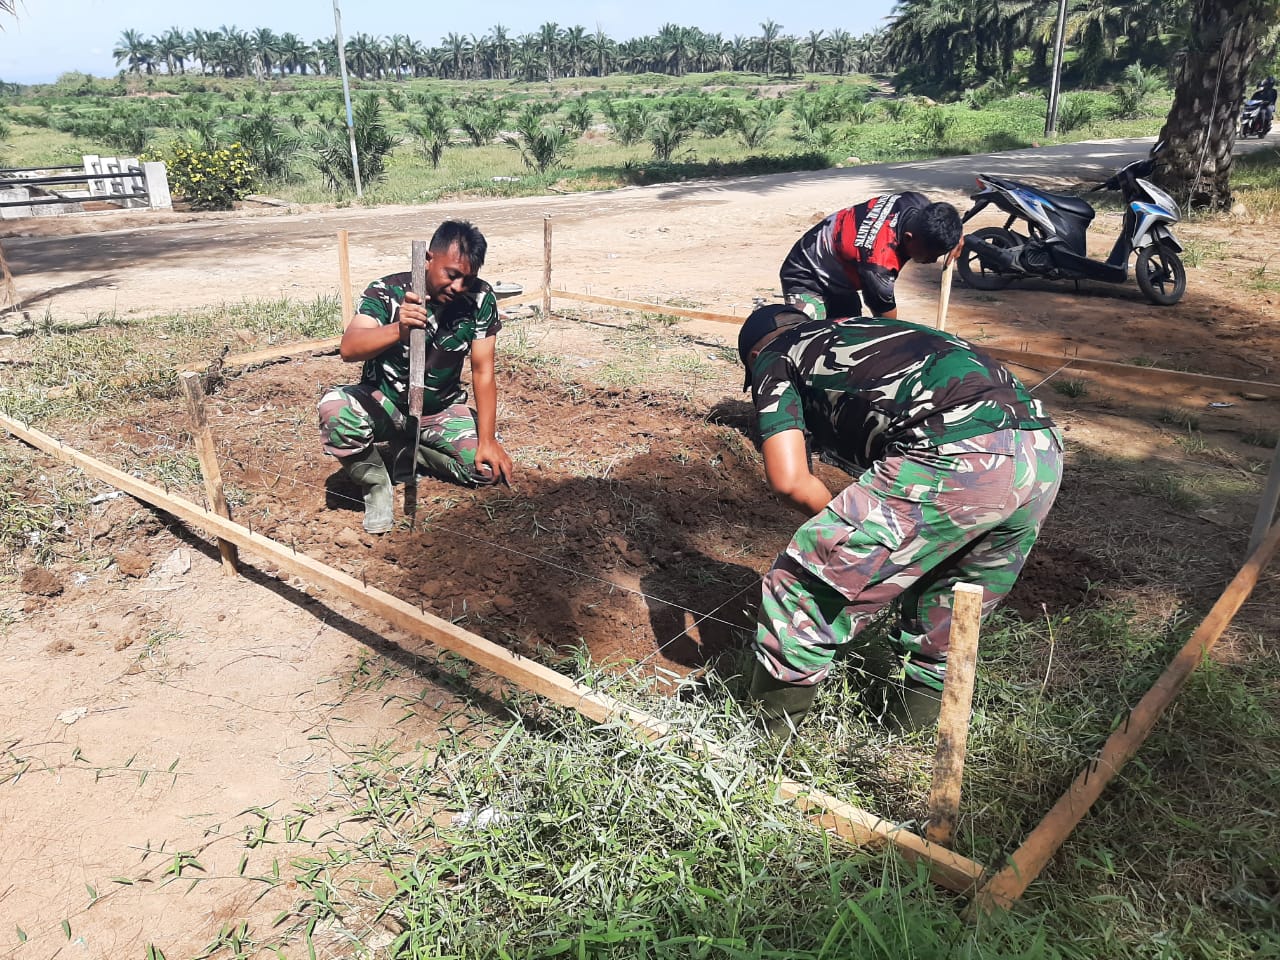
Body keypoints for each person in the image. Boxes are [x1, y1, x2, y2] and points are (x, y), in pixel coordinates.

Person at [738, 304, 1062, 735]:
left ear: (752, 352)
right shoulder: (862, 330)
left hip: (958, 452)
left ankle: (762, 749)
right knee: (949, 608)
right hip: (1040, 451)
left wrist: (854, 537)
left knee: (801, 592)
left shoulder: (775, 353)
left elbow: (790, 480)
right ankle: (910, 738)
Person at [318, 220, 514, 534]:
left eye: (469, 278)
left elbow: (483, 371)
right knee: (335, 409)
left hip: (440, 410)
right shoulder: (386, 291)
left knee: (485, 471)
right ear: (427, 258)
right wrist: (399, 329)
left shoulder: (480, 298)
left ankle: (414, 452)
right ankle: (377, 485)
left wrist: (488, 441)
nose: (459, 287)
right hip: (385, 405)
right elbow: (350, 348)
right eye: (451, 275)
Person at [779, 193, 963, 322]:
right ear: (909, 238)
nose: (933, 261)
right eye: (931, 255)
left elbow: (940, 217)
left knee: (848, 335)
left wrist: (956, 236)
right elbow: (889, 326)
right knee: (809, 341)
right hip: (805, 274)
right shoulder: (878, 265)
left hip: (840, 273)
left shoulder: (915, 201)